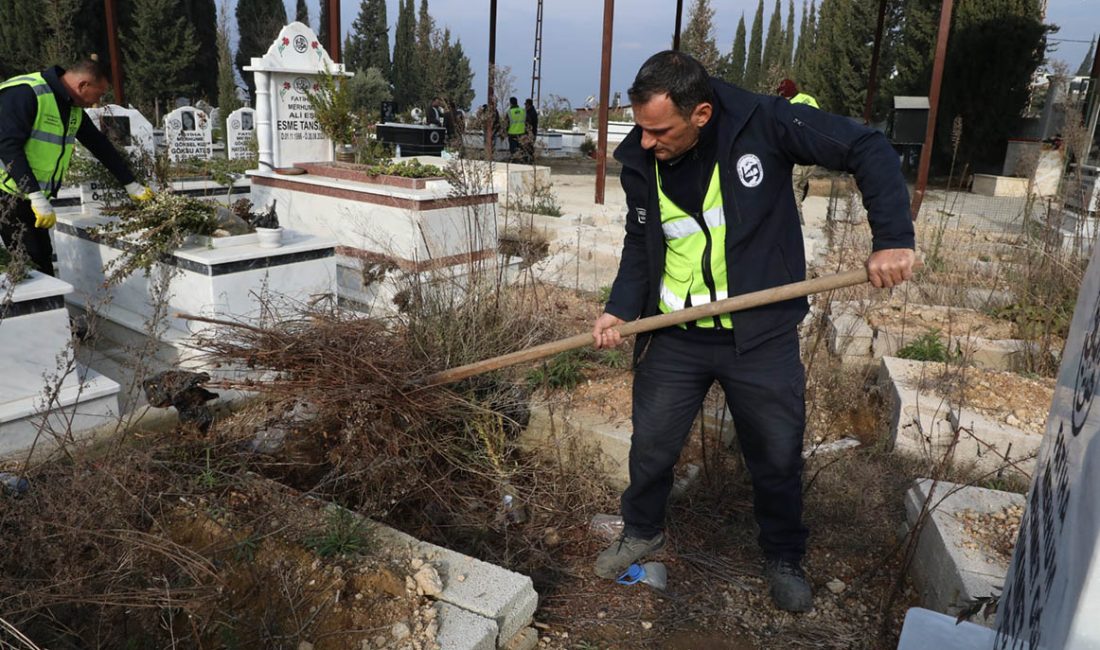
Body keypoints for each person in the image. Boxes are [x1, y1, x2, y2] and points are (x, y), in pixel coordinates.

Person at [590, 51, 914, 613]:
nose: (646, 142)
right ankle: (642, 531)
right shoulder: (642, 162)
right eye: (640, 128)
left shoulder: (766, 122)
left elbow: (865, 145)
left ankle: (784, 557)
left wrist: (891, 237)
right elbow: (638, 243)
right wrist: (620, 308)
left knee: (777, 454)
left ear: (701, 114)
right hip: (675, 334)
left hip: (759, 335)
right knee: (651, 449)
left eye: (659, 130)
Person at [0, 57, 153, 276]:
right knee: (32, 264)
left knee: (40, 258)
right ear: (83, 85)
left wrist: (131, 184)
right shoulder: (27, 93)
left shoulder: (71, 107)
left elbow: (98, 144)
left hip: (25, 196)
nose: (96, 101)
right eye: (98, 94)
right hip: (7, 193)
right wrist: (34, 194)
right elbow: (7, 146)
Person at [523, 98, 539, 164]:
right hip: (532, 132)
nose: (525, 106)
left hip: (530, 133)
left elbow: (529, 123)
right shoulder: (532, 112)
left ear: (528, 104)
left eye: (526, 104)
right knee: (529, 147)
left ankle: (529, 160)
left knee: (528, 147)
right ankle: (529, 160)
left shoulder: (530, 113)